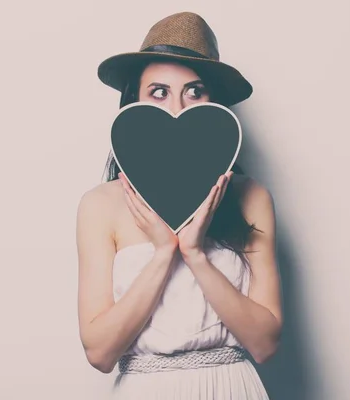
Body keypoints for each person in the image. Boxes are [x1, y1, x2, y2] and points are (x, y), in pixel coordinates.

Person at [75, 11, 283, 399]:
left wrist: (194, 252)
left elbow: (265, 345)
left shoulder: (251, 197)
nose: (177, 107)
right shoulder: (99, 206)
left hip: (232, 388)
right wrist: (163, 252)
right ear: (133, 102)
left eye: (194, 91)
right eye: (159, 92)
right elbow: (100, 352)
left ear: (213, 103)